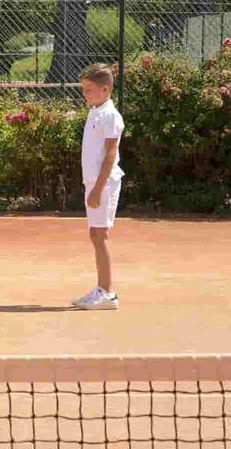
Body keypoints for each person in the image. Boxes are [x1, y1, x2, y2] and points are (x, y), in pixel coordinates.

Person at [74, 63, 125, 311]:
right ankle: (101, 288)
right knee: (95, 235)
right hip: (93, 183)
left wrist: (97, 189)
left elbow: (110, 154)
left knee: (100, 235)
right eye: (83, 89)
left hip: (103, 184)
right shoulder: (96, 110)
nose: (85, 93)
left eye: (89, 89)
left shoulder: (111, 115)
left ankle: (108, 293)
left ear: (105, 89)